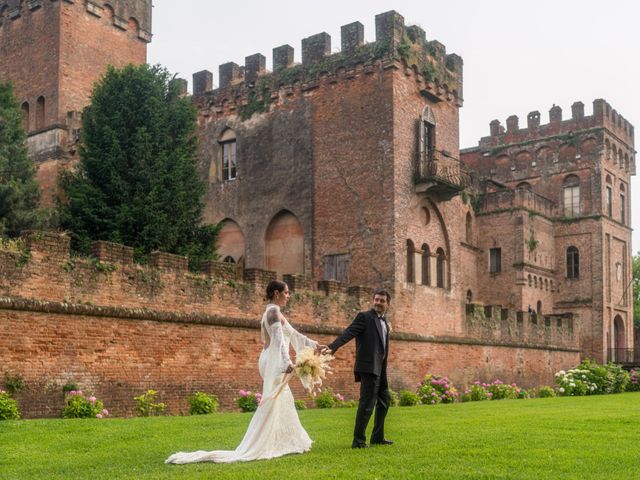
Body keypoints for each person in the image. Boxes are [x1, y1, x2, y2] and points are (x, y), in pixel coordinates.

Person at [166, 280, 322, 464]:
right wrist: (286, 362)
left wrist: (315, 346)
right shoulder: (273, 312)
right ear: (276, 293)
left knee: (282, 398)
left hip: (273, 360)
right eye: (286, 293)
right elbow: (279, 341)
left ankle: (291, 441)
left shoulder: (274, 312)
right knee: (272, 400)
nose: (289, 296)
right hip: (273, 362)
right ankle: (261, 444)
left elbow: (294, 335)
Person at [326, 289, 392, 449]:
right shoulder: (365, 317)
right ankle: (358, 441)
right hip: (368, 367)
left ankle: (377, 437)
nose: (378, 302)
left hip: (380, 367)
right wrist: (332, 347)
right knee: (367, 404)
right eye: (376, 299)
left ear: (388, 304)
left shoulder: (384, 321)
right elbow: (349, 332)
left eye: (382, 301)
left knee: (385, 401)